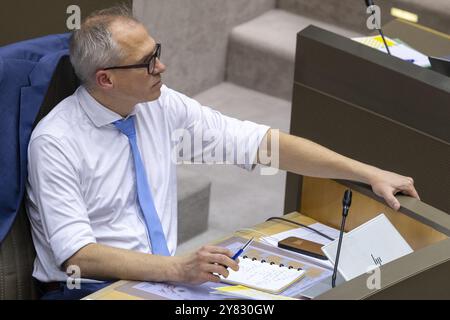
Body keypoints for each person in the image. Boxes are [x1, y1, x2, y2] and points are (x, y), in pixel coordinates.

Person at [26, 6, 419, 300]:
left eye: (156, 51)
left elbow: (260, 143)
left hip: (159, 281)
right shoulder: (57, 142)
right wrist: (178, 268)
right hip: (90, 291)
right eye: (146, 62)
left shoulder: (158, 106)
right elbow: (78, 257)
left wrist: (366, 170)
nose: (161, 66)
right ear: (106, 79)